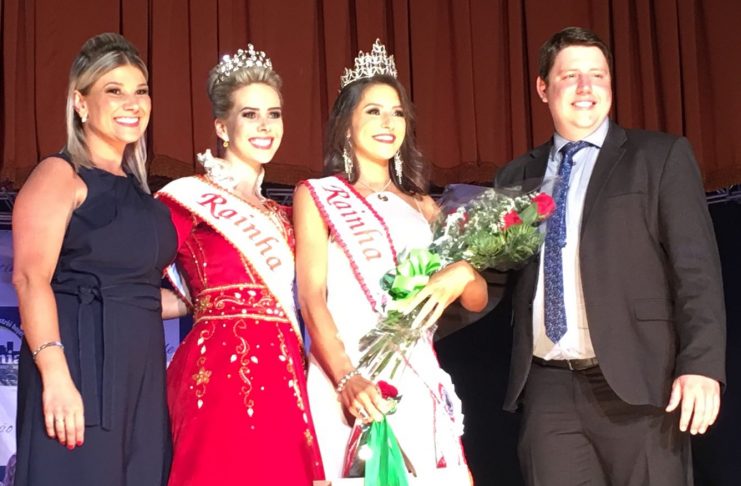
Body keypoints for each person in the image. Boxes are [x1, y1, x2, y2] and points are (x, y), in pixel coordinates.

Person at [495, 26, 726, 486]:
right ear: (543, 87)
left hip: (640, 380)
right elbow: (493, 276)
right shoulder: (517, 175)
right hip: (549, 388)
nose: (586, 87)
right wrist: (412, 317)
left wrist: (701, 366)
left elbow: (696, 271)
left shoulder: (658, 156)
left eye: (597, 75)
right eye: (570, 76)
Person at [294, 40, 488, 483]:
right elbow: (312, 297)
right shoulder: (319, 195)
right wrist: (347, 379)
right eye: (373, 111)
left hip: (416, 374)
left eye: (397, 112)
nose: (388, 122)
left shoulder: (424, 206)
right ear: (346, 126)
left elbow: (475, 300)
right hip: (346, 377)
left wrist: (462, 273)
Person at [157, 44, 324, 485]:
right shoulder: (187, 199)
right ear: (222, 126)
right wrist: (202, 303)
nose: (265, 126)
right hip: (219, 374)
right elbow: (131, 281)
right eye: (250, 115)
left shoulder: (286, 215)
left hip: (286, 372)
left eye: (274, 114)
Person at [12, 33, 175, 485]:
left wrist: (207, 302)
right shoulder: (60, 174)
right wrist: (56, 376)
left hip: (141, 383)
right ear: (80, 103)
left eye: (141, 90)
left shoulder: (143, 195)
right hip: (81, 371)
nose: (132, 102)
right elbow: (29, 278)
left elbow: (139, 295)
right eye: (114, 90)